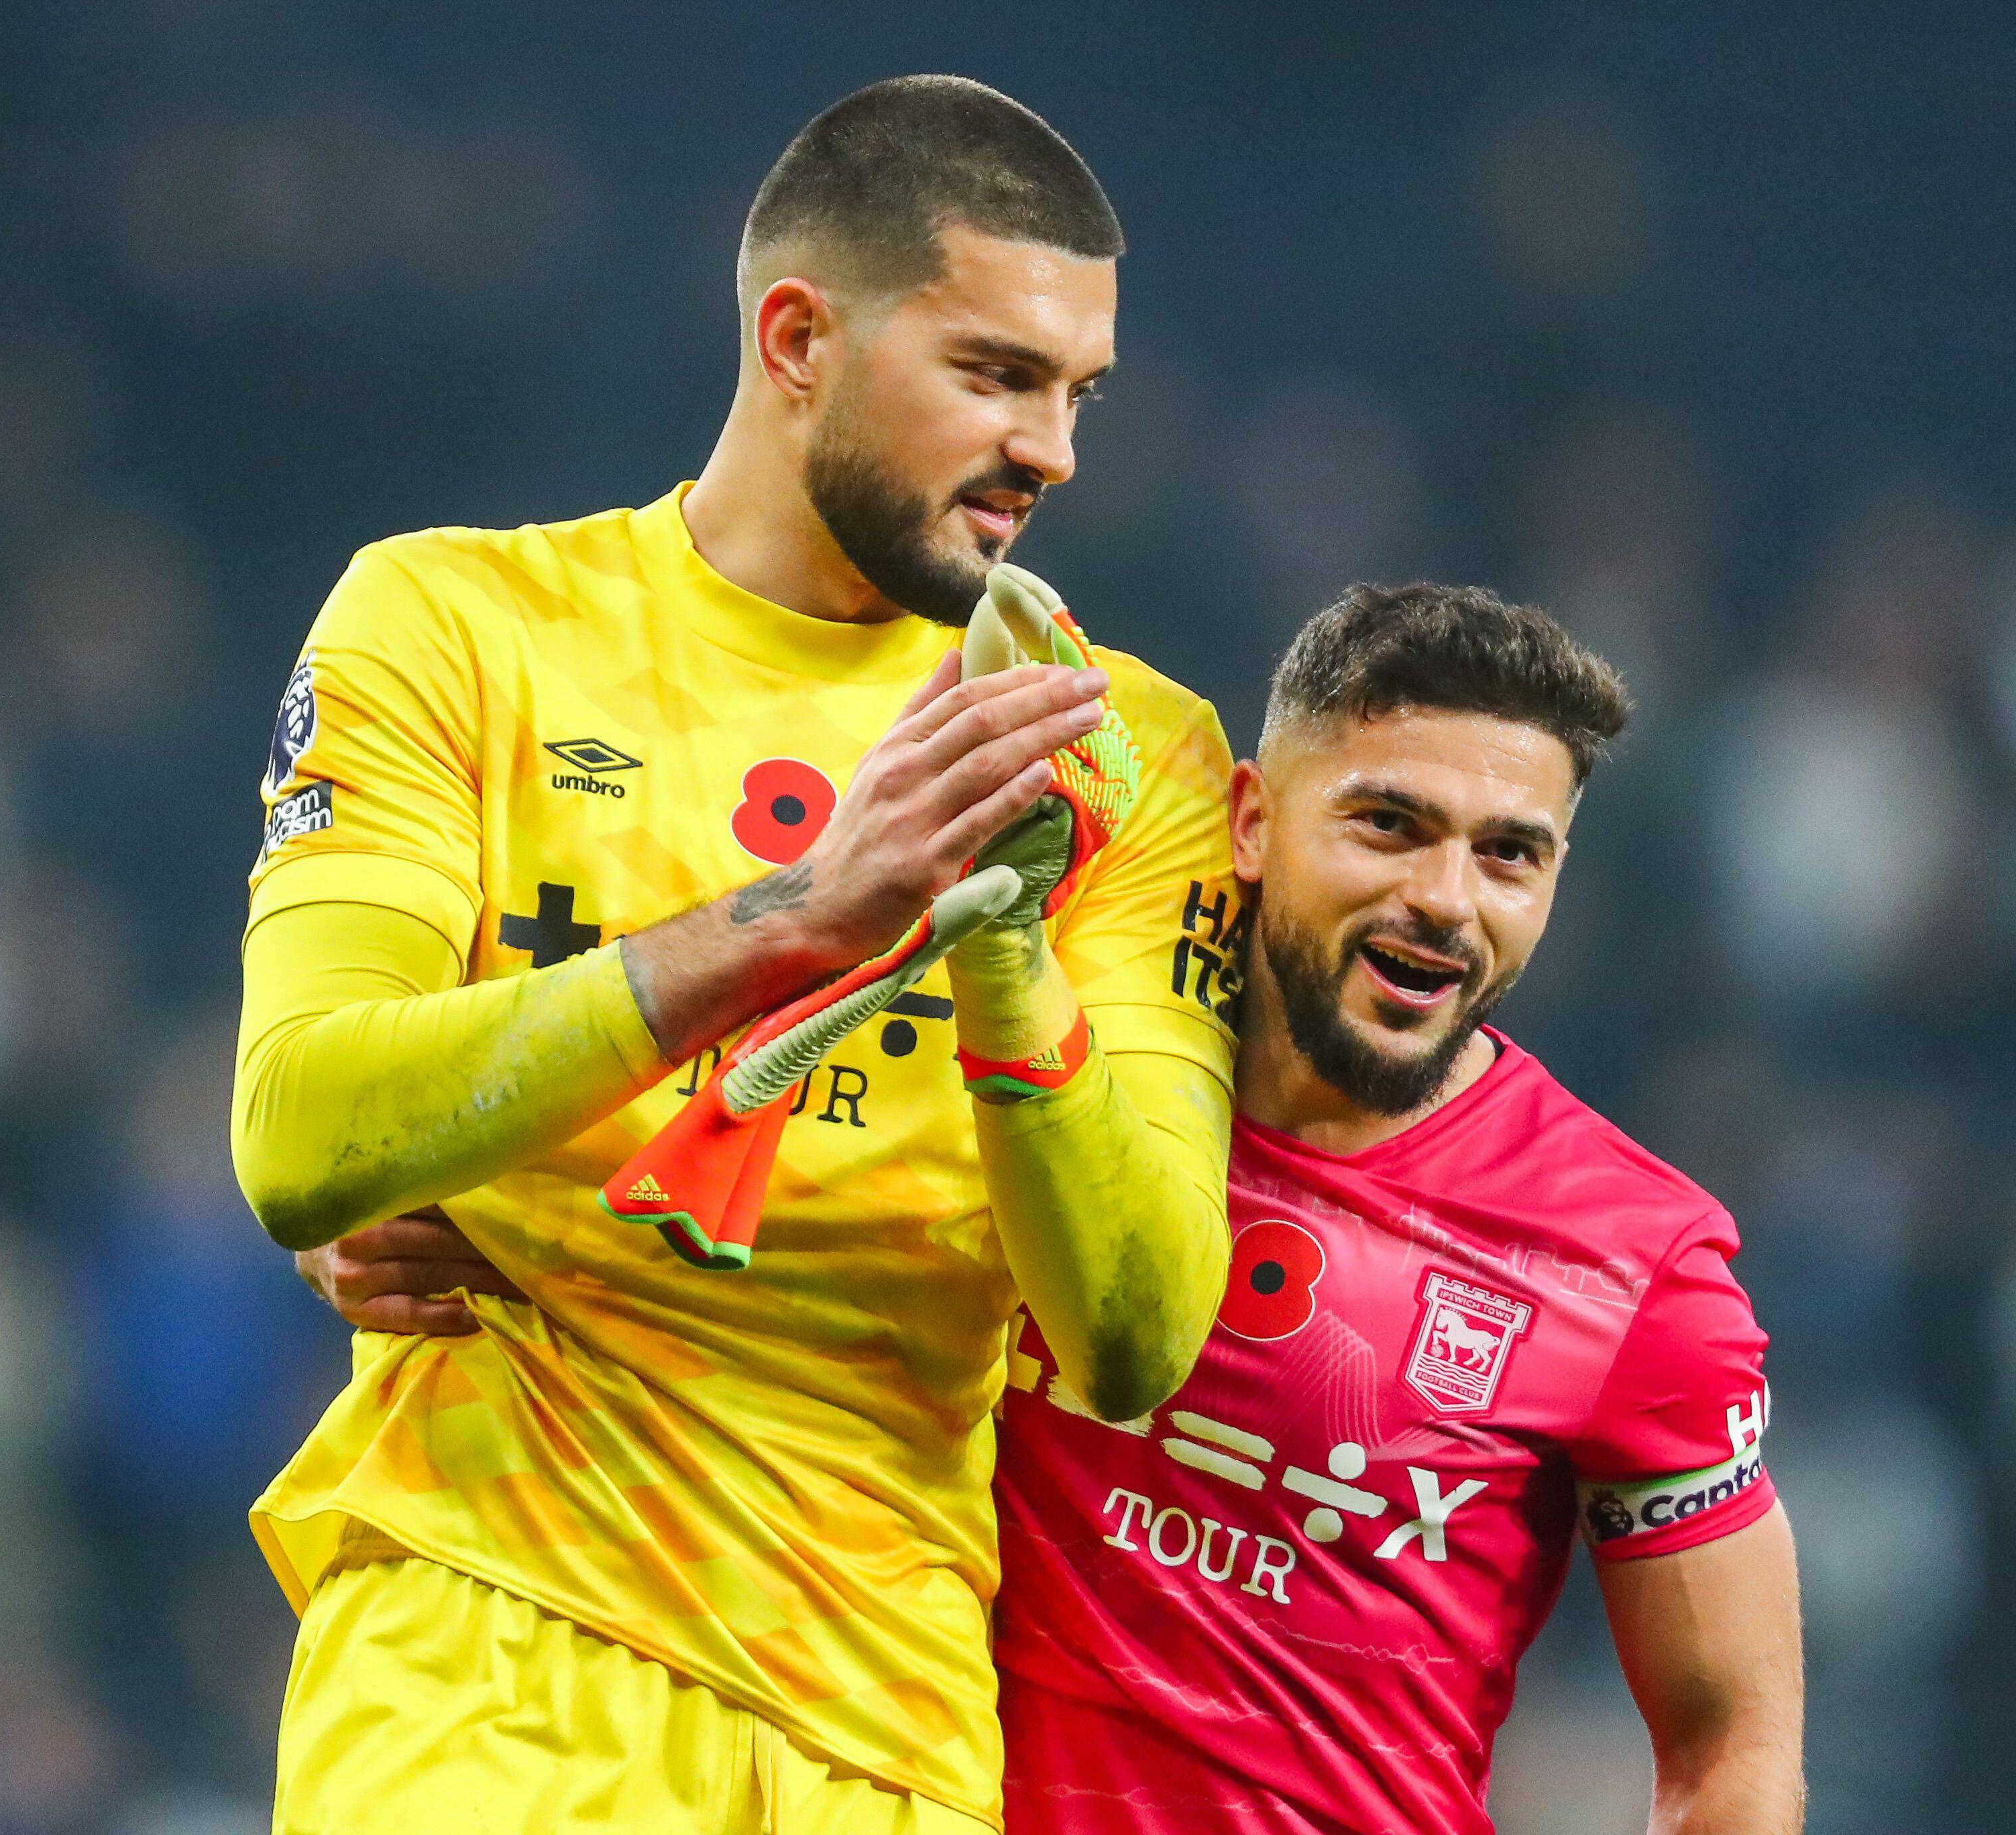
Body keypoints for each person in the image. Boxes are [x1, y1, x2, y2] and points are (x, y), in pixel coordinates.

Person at [311, 584, 1807, 1834]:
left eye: (1510, 856)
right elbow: (695, 1116)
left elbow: (1732, 1748)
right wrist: (431, 1192)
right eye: (1388, 825)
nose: (1446, 897)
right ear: (1243, 822)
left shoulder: (1631, 1257)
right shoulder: (1022, 1096)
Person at [233, 77, 1240, 1835]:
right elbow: (302, 1134)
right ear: (798, 340)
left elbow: (1142, 1333)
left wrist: (999, 937)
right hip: (490, 1657)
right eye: (995, 374)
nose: (1055, 450)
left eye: (1077, 394)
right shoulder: (456, 626)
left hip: (893, 1727)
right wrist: (804, 919)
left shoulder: (1123, 756)